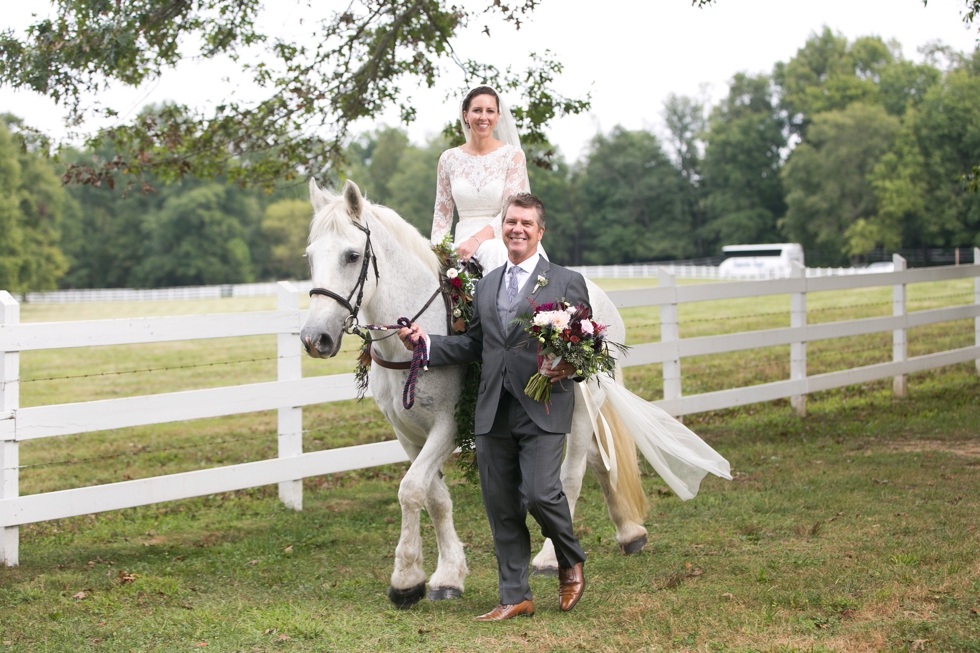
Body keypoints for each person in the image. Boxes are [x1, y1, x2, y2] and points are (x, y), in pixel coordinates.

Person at [401, 192, 585, 621]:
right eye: (511, 222)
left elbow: (584, 343)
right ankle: (514, 596)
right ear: (502, 228)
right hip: (492, 409)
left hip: (542, 405)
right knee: (501, 505)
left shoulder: (565, 280)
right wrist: (425, 343)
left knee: (541, 493)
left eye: (526, 223)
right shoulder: (486, 284)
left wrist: (569, 366)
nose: (517, 229)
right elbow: (476, 343)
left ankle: (570, 558)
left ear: (540, 231)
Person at [431, 86, 533, 272]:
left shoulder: (513, 156)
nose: (483, 117)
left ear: (498, 116)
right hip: (461, 242)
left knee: (493, 251)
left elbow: (510, 211)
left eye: (490, 111)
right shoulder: (448, 159)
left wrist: (476, 240)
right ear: (466, 115)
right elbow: (442, 217)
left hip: (499, 240)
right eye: (477, 110)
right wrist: (438, 252)